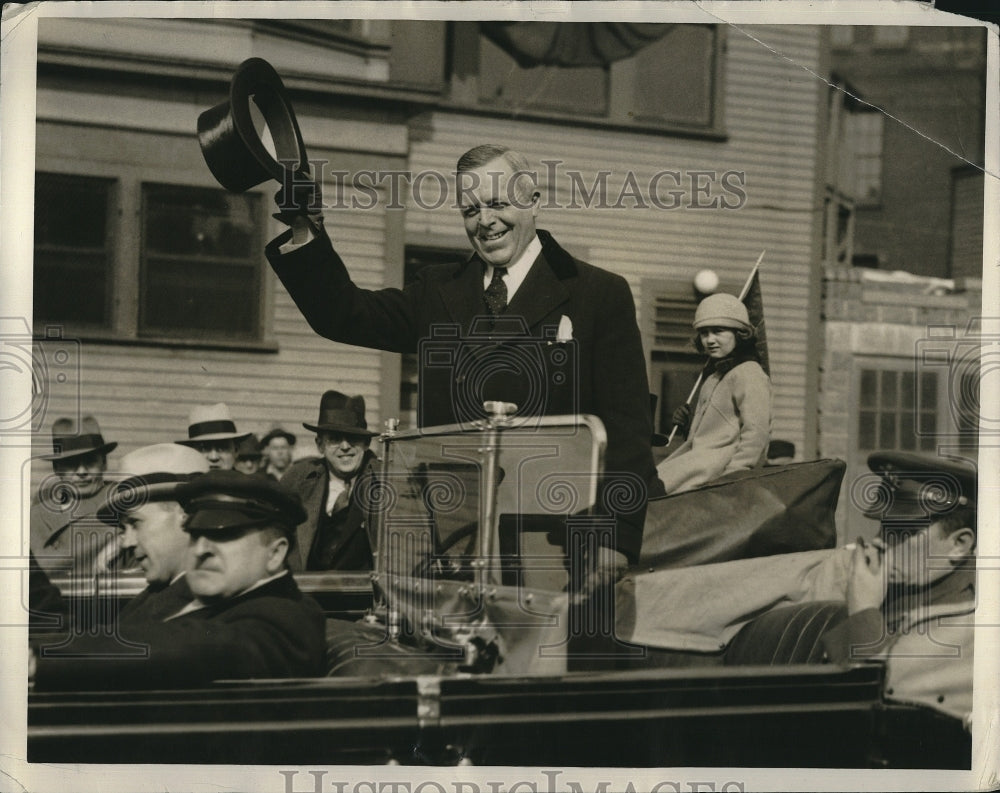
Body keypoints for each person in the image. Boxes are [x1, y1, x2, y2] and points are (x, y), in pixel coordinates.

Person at [266, 144, 659, 577]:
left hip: (560, 545)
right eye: (470, 210)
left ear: (532, 201)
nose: (485, 221)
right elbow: (343, 314)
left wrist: (615, 538)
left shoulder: (598, 294)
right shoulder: (438, 290)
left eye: (497, 203)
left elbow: (627, 430)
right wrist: (305, 230)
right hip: (454, 542)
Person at [31, 470, 326, 690]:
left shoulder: (288, 616)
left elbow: (201, 647)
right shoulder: (190, 594)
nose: (199, 550)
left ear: (275, 555)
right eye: (196, 534)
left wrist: (39, 660)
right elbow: (109, 636)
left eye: (223, 535)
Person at [815, 451, 977, 723]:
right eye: (883, 527)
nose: (879, 542)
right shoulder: (898, 591)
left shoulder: (975, 623)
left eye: (902, 532)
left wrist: (864, 611)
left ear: (959, 545)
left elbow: (868, 715)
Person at [656, 292, 771, 494]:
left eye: (718, 331)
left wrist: (734, 476)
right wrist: (689, 424)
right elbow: (710, 434)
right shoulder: (713, 377)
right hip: (696, 463)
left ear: (740, 334)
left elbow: (757, 432)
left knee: (649, 493)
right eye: (704, 333)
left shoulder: (749, 373)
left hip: (717, 471)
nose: (710, 340)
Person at [102, 443, 210, 622]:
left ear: (186, 515)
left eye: (135, 523)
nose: (127, 543)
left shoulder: (202, 609)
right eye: (123, 529)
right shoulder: (155, 597)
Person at [281, 391, 378, 571]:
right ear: (320, 445)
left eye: (353, 438)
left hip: (363, 595)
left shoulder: (383, 482)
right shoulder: (297, 479)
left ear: (366, 443)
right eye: (334, 439)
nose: (345, 447)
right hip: (307, 592)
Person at [30, 415, 119, 576]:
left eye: (90, 461)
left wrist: (122, 540)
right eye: (71, 463)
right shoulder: (39, 510)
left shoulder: (122, 499)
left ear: (104, 463)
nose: (82, 472)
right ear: (57, 468)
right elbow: (37, 567)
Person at [176, 402, 251, 470]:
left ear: (236, 450)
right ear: (191, 453)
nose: (213, 457)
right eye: (204, 448)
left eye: (222, 447)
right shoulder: (182, 485)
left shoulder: (250, 484)